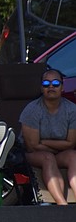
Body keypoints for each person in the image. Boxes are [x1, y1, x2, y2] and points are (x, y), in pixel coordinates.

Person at [20, 69, 76, 205]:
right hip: (32, 155)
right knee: (48, 158)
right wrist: (59, 146)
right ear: (41, 88)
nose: (51, 86)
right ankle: (62, 204)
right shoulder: (32, 110)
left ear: (62, 87)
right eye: (46, 83)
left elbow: (71, 143)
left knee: (73, 156)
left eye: (56, 83)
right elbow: (32, 146)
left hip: (59, 152)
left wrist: (44, 141)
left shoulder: (72, 110)